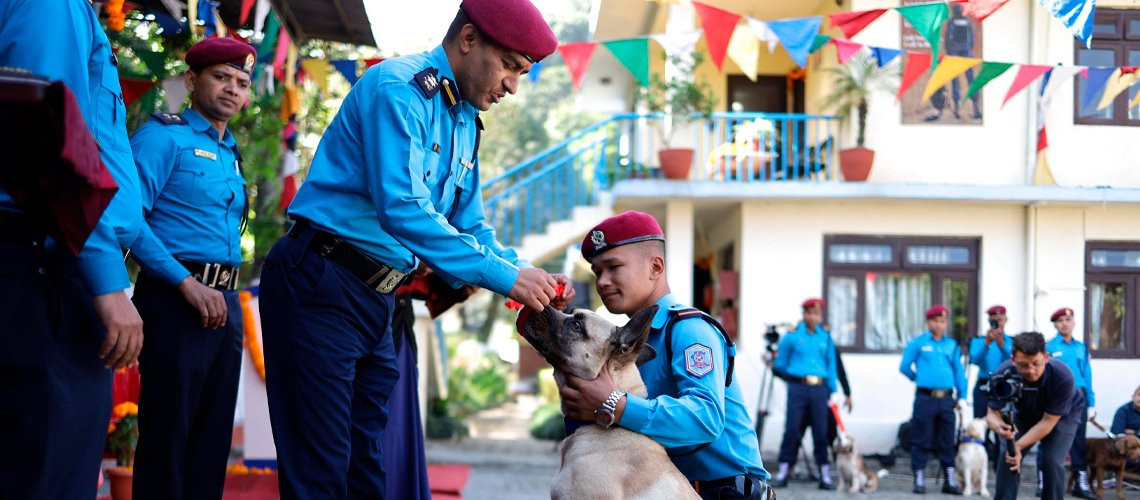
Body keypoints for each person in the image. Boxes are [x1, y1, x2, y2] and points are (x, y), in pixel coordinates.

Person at [257, 0, 573, 497]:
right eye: (511, 66)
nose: (514, 85)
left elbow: (472, 226)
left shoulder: (465, 121)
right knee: (320, 469)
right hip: (321, 280)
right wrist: (504, 278)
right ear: (468, 40)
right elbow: (401, 207)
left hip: (377, 296)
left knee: (368, 465)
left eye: (523, 72)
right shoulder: (399, 89)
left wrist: (527, 270)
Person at [0, 1, 145, 497]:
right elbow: (45, 135)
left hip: (47, 252)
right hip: (44, 258)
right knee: (48, 470)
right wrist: (108, 280)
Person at [558, 211, 772, 499]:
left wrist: (615, 405)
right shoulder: (619, 340)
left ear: (656, 266)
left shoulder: (690, 331)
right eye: (597, 272)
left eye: (613, 267)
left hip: (726, 492)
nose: (603, 281)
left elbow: (705, 419)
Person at [126, 37, 255, 499]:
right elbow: (127, 220)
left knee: (211, 438)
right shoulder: (163, 136)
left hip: (226, 302)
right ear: (191, 80)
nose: (232, 89)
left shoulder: (230, 152)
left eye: (241, 82)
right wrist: (184, 283)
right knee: (168, 435)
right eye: (221, 76)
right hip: (174, 300)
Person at [987, 331, 1083, 500]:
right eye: (1023, 365)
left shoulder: (1063, 376)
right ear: (1013, 359)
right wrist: (999, 428)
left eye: (1036, 363)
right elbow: (991, 415)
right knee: (1008, 456)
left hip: (1062, 416)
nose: (1031, 371)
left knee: (1051, 460)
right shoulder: (1002, 374)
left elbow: (1047, 422)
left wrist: (1017, 446)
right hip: (1024, 414)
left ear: (1046, 357)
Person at [770, 297, 839, 490]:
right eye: (809, 313)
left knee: (821, 431)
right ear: (804, 314)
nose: (812, 317)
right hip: (798, 388)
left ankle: (824, 474)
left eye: (816, 313)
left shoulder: (825, 336)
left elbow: (831, 364)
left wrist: (833, 390)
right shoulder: (792, 336)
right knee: (792, 429)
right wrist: (792, 378)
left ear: (820, 315)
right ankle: (784, 470)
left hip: (820, 389)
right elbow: (780, 363)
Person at [899, 304, 966, 495]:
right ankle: (919, 479)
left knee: (947, 440)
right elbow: (904, 366)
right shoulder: (918, 343)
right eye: (935, 321)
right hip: (925, 398)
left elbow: (958, 372)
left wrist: (962, 396)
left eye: (943, 321)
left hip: (946, 399)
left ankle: (949, 479)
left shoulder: (951, 345)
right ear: (928, 322)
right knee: (921, 438)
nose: (939, 324)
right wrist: (917, 378)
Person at [1045, 307, 1096, 499]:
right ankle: (1044, 481)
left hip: (1079, 398)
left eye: (1068, 319)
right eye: (1060, 320)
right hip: (1057, 397)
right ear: (1055, 324)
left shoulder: (1080, 348)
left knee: (1078, 442)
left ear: (1073, 322)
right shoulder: (1048, 347)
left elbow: (1087, 376)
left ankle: (1080, 483)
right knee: (1049, 438)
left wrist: (1091, 403)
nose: (1064, 323)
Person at [969, 305, 1014, 466]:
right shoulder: (979, 341)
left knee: (1003, 426)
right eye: (994, 321)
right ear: (989, 321)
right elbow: (974, 360)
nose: (997, 324)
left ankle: (1000, 463)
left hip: (1003, 387)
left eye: (1000, 320)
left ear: (1006, 320)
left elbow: (1013, 361)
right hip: (983, 386)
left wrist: (1002, 345)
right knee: (981, 425)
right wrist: (987, 343)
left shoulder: (1012, 341)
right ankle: (980, 462)